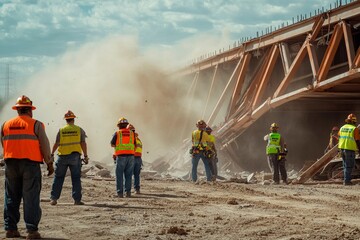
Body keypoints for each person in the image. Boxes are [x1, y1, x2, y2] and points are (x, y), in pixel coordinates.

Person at [1, 95, 54, 239]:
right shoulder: (36, 124)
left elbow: (4, 144)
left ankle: (11, 230)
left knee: (11, 196)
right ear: (30, 110)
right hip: (30, 164)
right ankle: (31, 231)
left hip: (10, 163)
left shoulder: (6, 124)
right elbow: (44, 144)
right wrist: (49, 163)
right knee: (30, 197)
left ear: (17, 110)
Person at [50, 110, 89, 206]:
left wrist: (51, 153)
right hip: (75, 157)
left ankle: (54, 199)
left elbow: (57, 143)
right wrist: (86, 156)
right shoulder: (79, 130)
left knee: (58, 177)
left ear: (66, 120)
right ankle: (77, 200)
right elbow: (83, 143)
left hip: (62, 157)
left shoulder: (61, 130)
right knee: (76, 178)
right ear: (73, 119)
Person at [111, 118, 135, 197]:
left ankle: (120, 193)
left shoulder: (117, 133)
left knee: (119, 175)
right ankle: (128, 193)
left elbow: (112, 144)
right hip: (131, 156)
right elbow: (134, 143)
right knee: (128, 175)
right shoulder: (132, 133)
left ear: (119, 126)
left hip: (121, 156)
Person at [338, 114, 360, 185]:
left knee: (345, 165)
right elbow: (357, 141)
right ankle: (347, 181)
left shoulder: (342, 128)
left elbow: (339, 137)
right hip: (349, 149)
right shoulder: (355, 129)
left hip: (342, 149)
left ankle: (346, 180)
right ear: (354, 122)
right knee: (349, 165)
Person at [133, 128, 143, 194]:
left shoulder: (132, 139)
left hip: (132, 158)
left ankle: (126, 190)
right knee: (137, 175)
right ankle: (137, 189)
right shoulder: (139, 140)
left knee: (127, 174)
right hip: (139, 158)